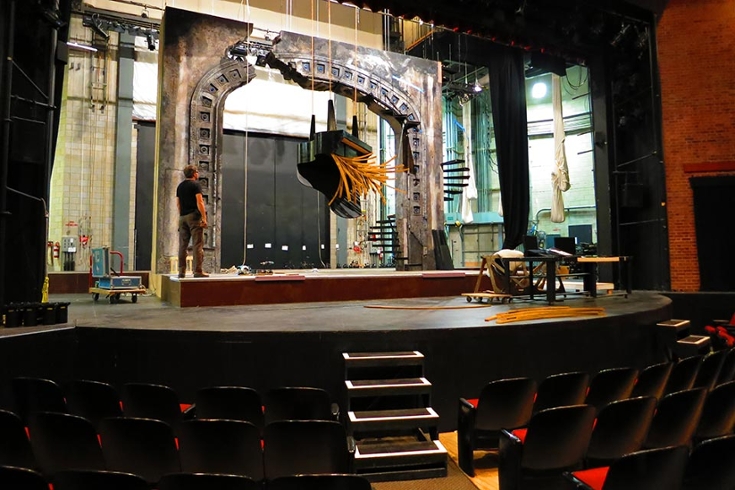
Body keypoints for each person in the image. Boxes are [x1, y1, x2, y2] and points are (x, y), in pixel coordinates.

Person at [176, 164, 208, 278]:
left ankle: (181, 271)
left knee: (182, 245)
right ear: (194, 173)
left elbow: (178, 203)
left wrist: (181, 215)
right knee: (197, 244)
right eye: (197, 172)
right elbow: (200, 202)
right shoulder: (195, 185)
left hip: (182, 217)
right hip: (193, 216)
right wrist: (204, 218)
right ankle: (197, 271)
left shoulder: (180, 186)